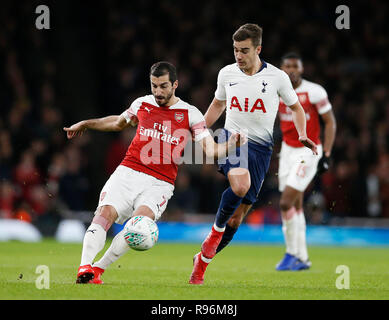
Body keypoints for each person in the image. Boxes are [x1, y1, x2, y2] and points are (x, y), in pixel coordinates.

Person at [64, 61, 246, 284]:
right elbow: (117, 123)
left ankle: (98, 269)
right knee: (105, 214)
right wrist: (86, 123)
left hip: (160, 183)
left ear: (175, 85)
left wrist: (231, 146)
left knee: (138, 224)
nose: (158, 92)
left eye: (163, 86)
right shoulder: (142, 104)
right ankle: (84, 266)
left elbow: (210, 149)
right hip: (128, 171)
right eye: (154, 86)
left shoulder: (190, 114)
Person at [189, 24, 318, 285]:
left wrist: (302, 133)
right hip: (231, 139)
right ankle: (214, 233)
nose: (239, 55)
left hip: (261, 149)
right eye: (236, 50)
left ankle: (201, 262)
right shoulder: (226, 74)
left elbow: (297, 108)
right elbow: (218, 104)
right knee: (240, 185)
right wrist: (200, 129)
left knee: (237, 219)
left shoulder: (277, 77)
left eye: (244, 50)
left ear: (258, 49)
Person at [275, 52, 336, 270]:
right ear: (282, 69)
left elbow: (330, 123)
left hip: (308, 151)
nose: (291, 70)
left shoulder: (314, 92)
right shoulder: (276, 91)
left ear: (301, 69)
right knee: (297, 206)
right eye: (287, 66)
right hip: (287, 151)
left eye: (295, 66)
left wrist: (326, 153)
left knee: (285, 202)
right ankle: (303, 258)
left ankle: (291, 253)